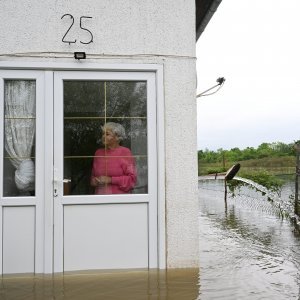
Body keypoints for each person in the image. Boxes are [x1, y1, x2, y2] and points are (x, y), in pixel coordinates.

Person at [90, 122, 137, 194]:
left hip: (119, 200)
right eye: (103, 134)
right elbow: (93, 177)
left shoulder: (125, 152)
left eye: (107, 134)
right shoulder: (98, 153)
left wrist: (110, 180)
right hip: (100, 199)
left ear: (117, 137)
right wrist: (94, 181)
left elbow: (132, 180)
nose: (103, 136)